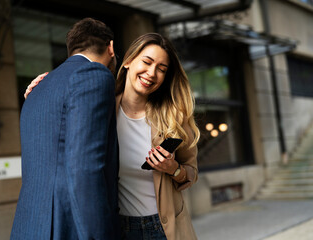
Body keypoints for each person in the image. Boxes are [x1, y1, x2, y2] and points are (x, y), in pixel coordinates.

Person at [26, 33, 200, 240]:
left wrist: (174, 169)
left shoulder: (174, 118)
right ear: (128, 61)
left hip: (164, 229)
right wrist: (43, 91)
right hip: (118, 229)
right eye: (147, 62)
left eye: (161, 69)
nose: (152, 73)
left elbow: (191, 172)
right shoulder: (99, 107)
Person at [11, 18, 120, 240]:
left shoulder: (37, 88)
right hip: (68, 226)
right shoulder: (95, 75)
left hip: (29, 226)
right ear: (111, 48)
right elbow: (85, 168)